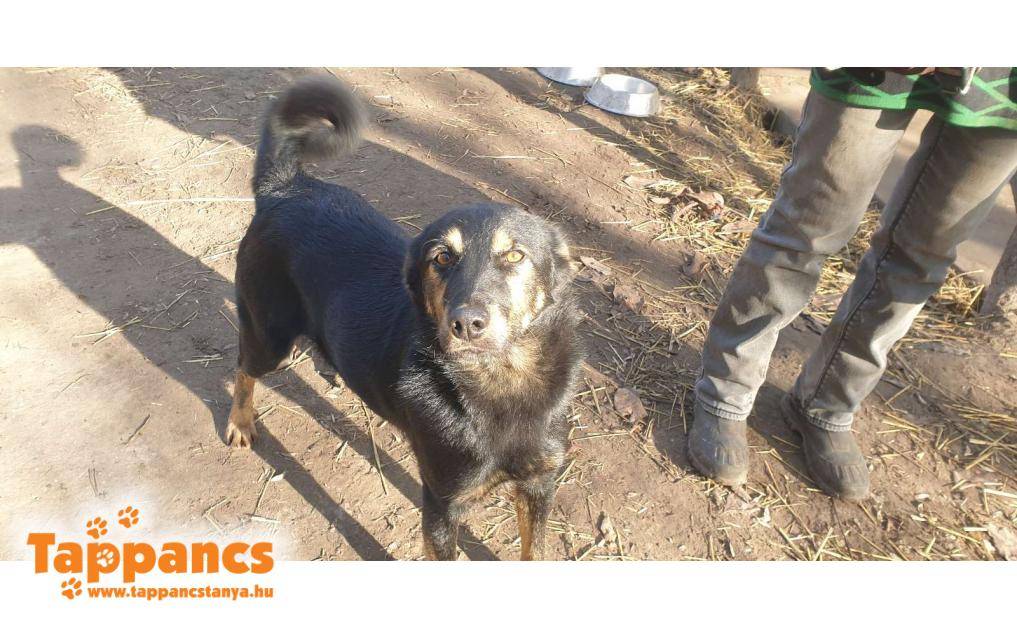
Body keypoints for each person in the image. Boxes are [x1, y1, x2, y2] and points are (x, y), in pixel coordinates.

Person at [688, 67, 1017, 501]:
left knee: (924, 257)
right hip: (880, 65)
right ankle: (725, 391)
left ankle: (827, 405)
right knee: (808, 225)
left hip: (1003, 88)